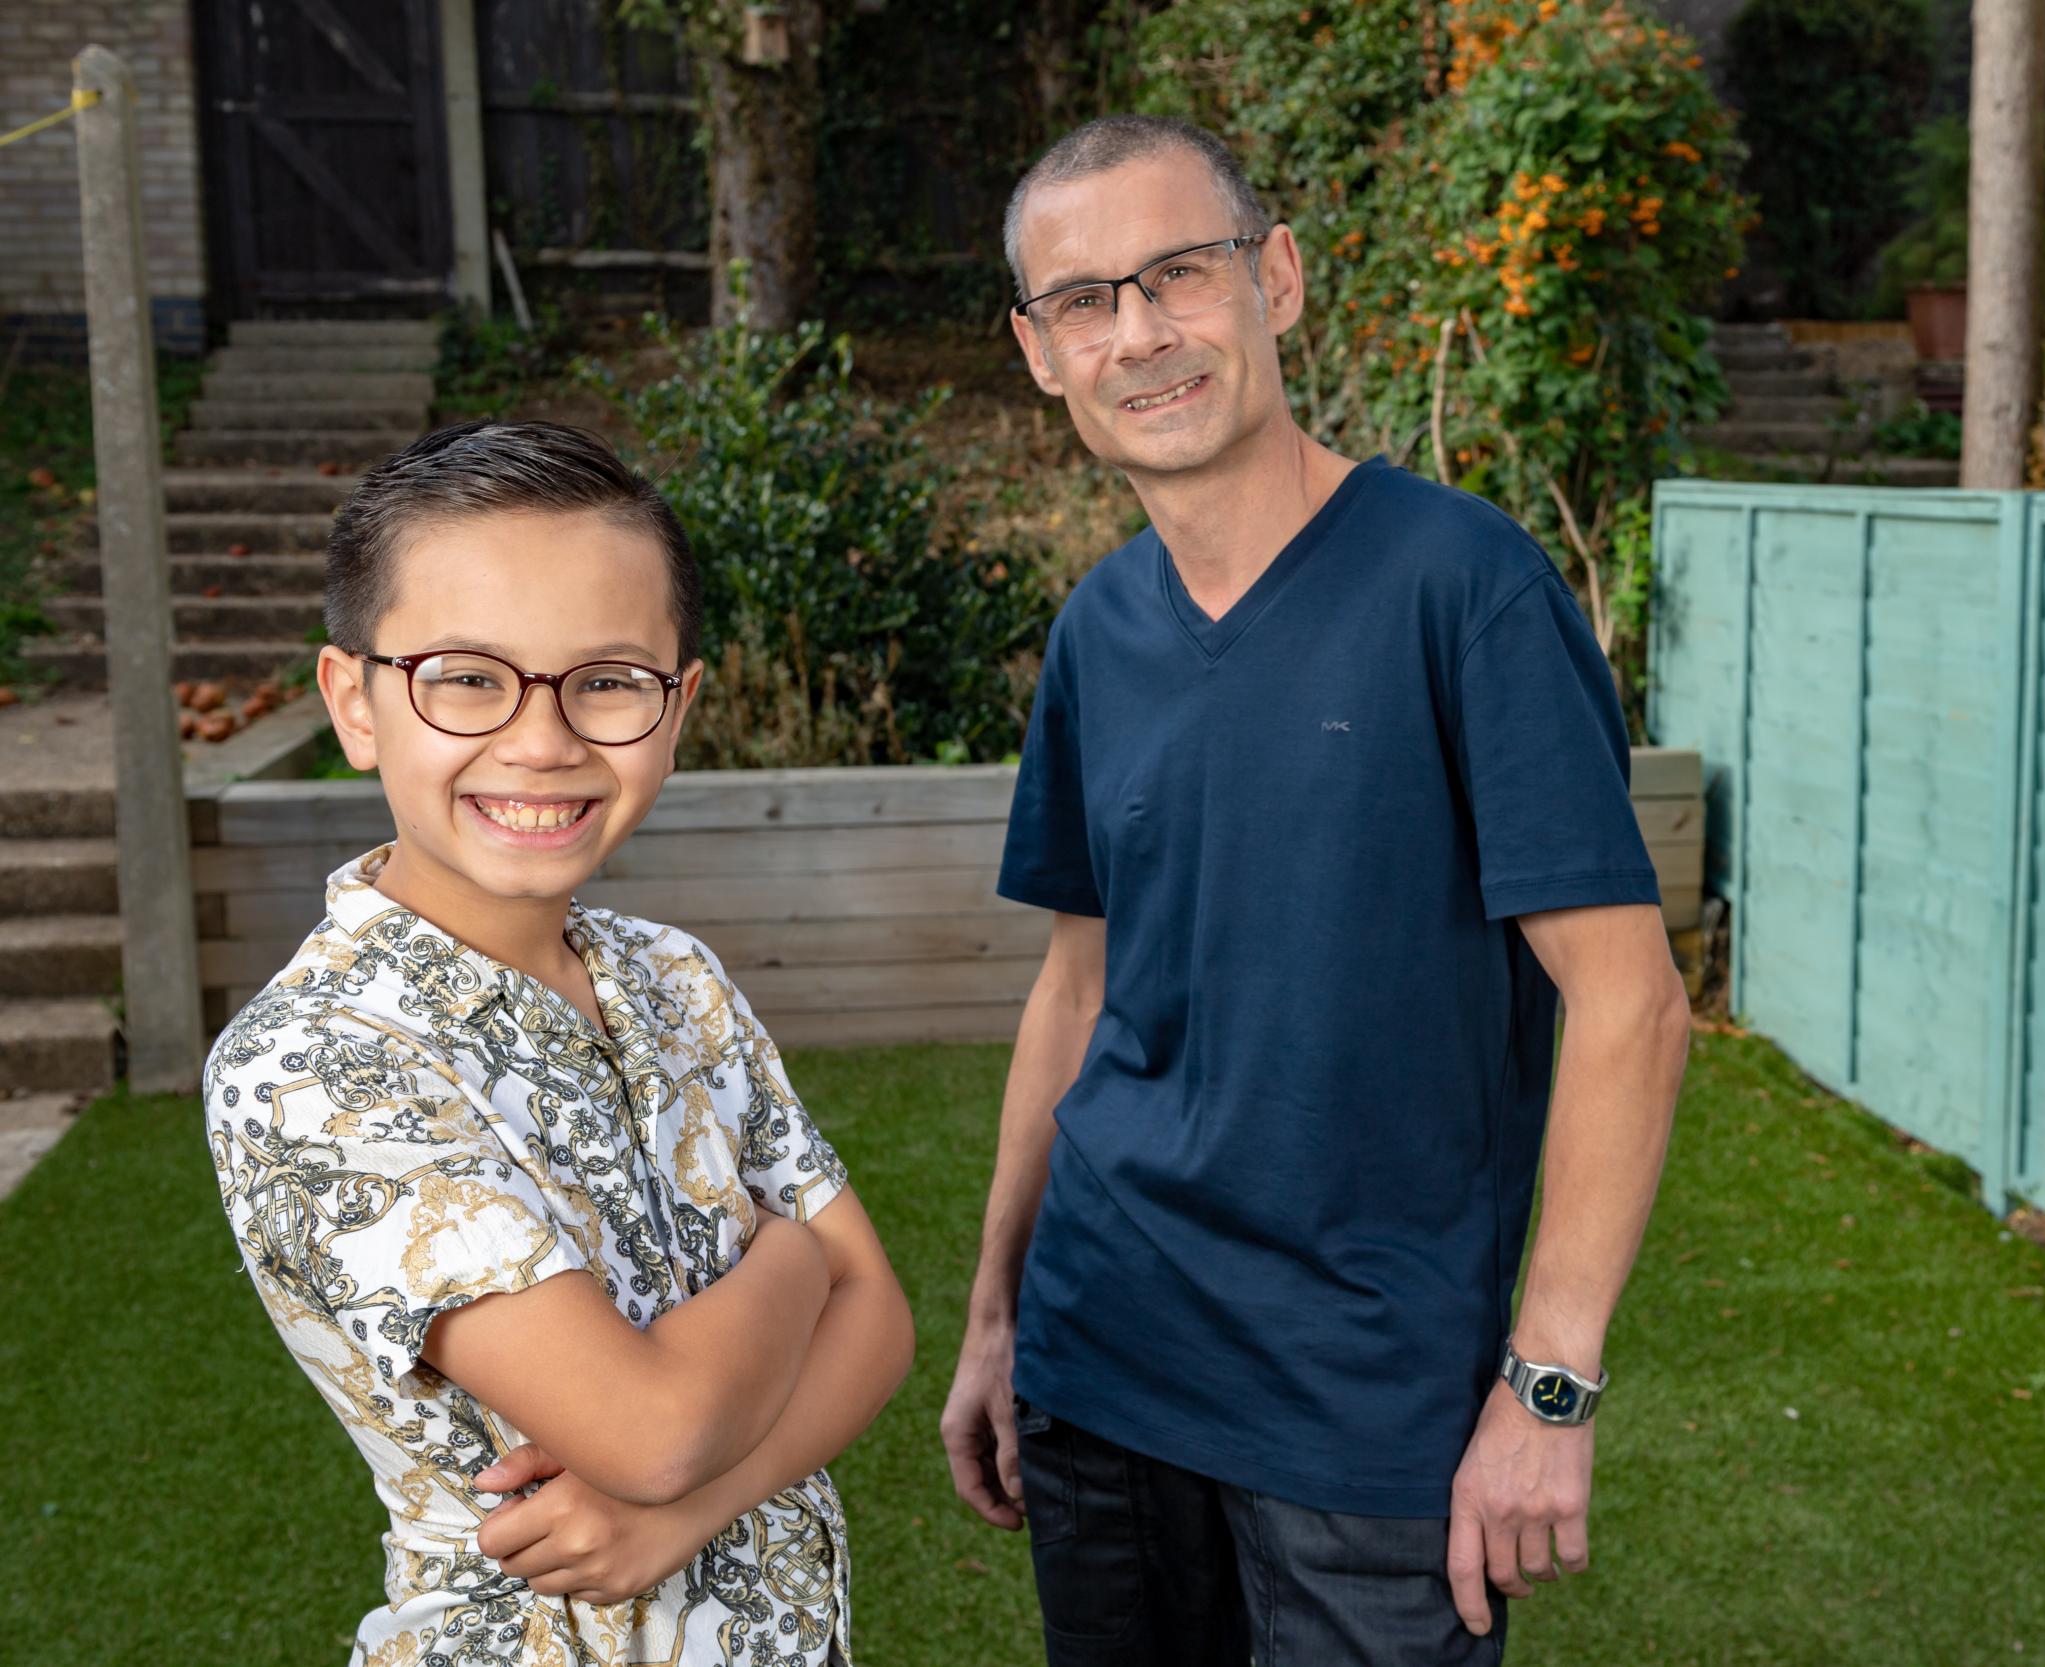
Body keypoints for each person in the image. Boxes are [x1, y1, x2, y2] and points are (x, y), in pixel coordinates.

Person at [938, 115, 1692, 1664]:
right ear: (1038, 349)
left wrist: (1549, 1384)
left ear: (1274, 278)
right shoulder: (1098, 631)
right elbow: (1079, 989)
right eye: (1084, 299)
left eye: (1178, 274)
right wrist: (998, 1313)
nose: (1139, 332)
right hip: (1098, 1364)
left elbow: (1631, 999)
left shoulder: (1464, 587)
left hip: (1365, 1411)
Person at [202, 420, 914, 1666]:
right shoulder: (313, 1059)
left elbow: (884, 1324)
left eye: (608, 680)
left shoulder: (672, 974)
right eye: (467, 675)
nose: (543, 738)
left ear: (677, 704)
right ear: (354, 702)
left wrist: (689, 1510)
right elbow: (650, 1426)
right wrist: (798, 1261)